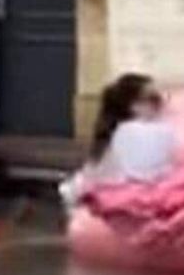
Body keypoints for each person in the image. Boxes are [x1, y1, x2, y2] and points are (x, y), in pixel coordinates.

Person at [59, 73, 177, 208]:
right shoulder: (139, 132)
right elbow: (149, 175)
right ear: (134, 106)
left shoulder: (117, 131)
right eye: (155, 99)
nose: (162, 103)